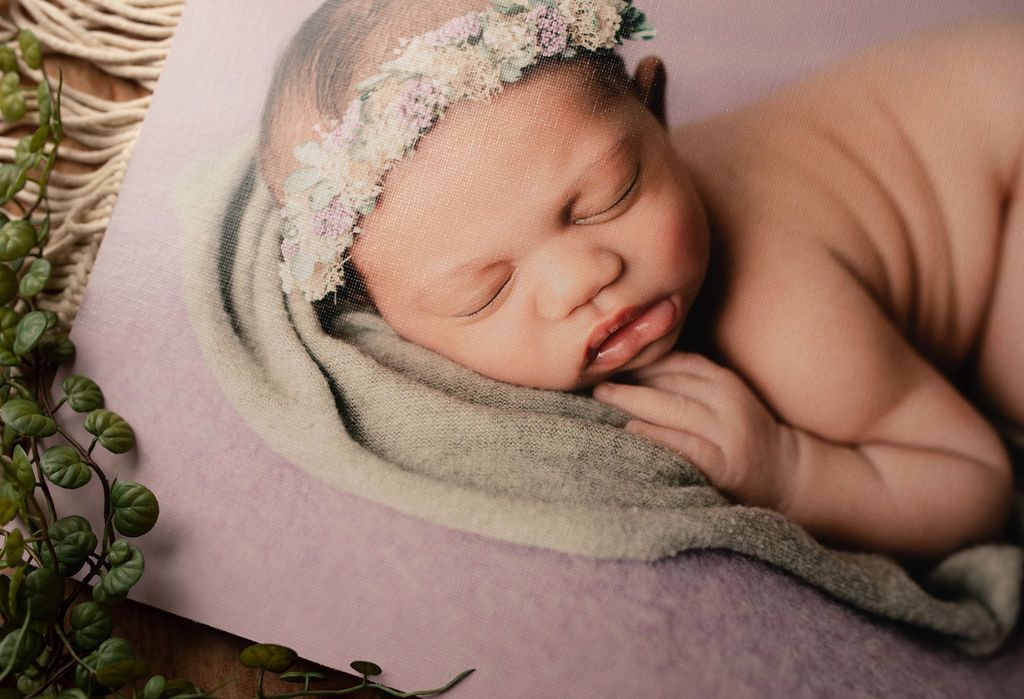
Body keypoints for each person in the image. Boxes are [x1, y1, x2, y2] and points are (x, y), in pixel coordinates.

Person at [258, 0, 1022, 562]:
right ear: (388, 324)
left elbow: (973, 481)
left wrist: (790, 469)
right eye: (481, 293)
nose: (584, 280)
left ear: (656, 112)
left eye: (608, 197)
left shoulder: (780, 309)